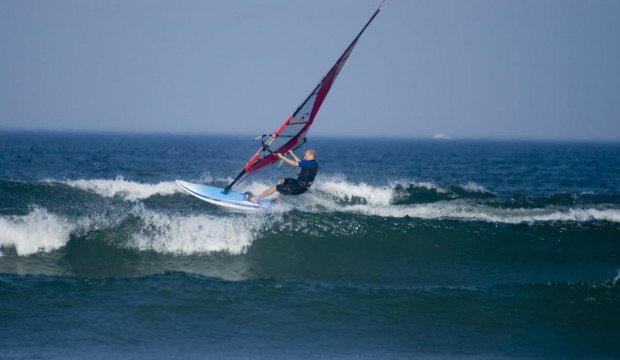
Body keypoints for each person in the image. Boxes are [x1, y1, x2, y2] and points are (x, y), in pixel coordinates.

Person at [250, 149, 319, 203]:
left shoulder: (309, 163)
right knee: (282, 181)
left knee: (275, 187)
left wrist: (282, 157)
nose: (304, 157)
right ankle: (279, 201)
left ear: (310, 155)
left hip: (298, 187)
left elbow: (295, 164)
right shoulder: (313, 163)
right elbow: (300, 163)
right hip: (301, 185)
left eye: (305, 155)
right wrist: (292, 154)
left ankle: (256, 198)